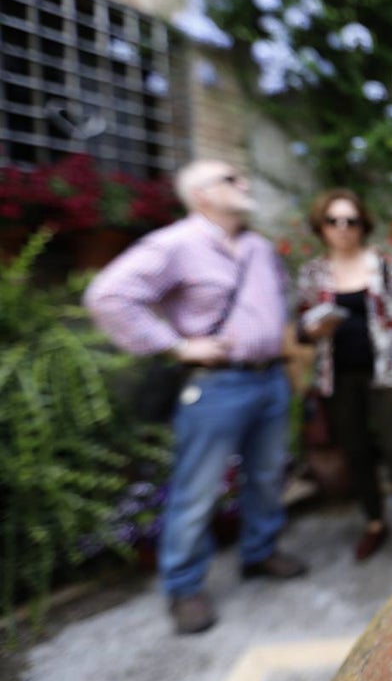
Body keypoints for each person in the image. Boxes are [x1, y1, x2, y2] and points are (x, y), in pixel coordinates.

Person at [84, 160, 307, 636]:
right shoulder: (176, 244)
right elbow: (109, 295)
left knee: (268, 475)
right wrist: (176, 345)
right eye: (230, 179)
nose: (243, 183)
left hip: (269, 379)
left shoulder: (258, 247)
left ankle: (260, 552)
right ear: (201, 195)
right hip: (216, 384)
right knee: (198, 488)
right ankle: (184, 586)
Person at [295, 189, 392, 572]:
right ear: (321, 227)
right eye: (333, 220)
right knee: (355, 450)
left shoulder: (384, 267)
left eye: (350, 220)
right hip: (336, 377)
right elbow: (303, 325)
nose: (342, 228)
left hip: (384, 373)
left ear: (362, 225)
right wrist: (315, 329)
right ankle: (374, 521)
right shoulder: (312, 273)